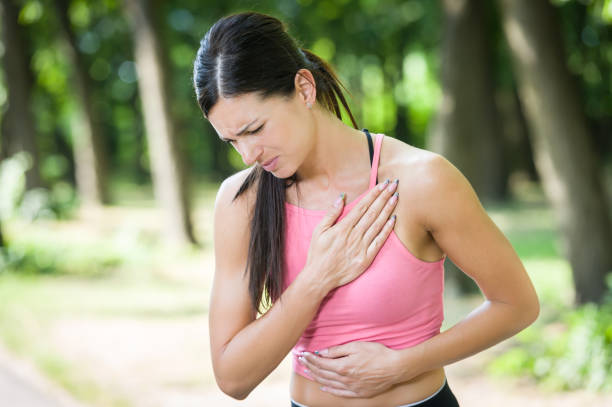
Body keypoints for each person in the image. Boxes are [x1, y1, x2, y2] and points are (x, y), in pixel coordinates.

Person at [193, 11, 540, 407]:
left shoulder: (421, 180)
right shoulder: (242, 201)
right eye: (231, 141)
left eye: (254, 130)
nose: (248, 155)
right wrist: (316, 278)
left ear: (304, 89)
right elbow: (233, 377)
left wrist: (402, 365)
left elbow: (517, 304)